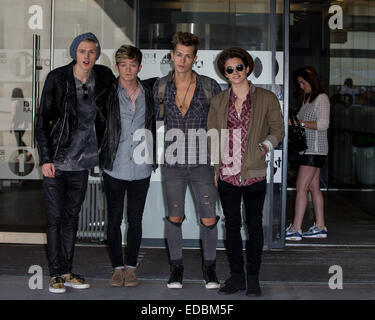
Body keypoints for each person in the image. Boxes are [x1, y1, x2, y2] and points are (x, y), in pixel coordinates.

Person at [35, 32, 115, 293]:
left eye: (92, 51)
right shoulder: (57, 78)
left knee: (72, 218)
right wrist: (45, 158)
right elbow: (42, 121)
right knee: (55, 217)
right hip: (57, 162)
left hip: (82, 162)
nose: (87, 56)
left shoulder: (101, 77)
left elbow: (124, 86)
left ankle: (67, 271)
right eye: (82, 51)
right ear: (74, 52)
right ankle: (55, 273)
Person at [207, 47, 285, 296]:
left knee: (254, 226)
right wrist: (215, 170)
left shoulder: (266, 98)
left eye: (239, 67)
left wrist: (262, 149)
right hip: (227, 174)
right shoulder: (219, 101)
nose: (235, 72)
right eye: (229, 69)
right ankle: (237, 277)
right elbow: (213, 137)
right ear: (224, 73)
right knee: (231, 226)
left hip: (254, 174)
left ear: (247, 68)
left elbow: (278, 130)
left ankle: (253, 278)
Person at [153, 32, 222, 289]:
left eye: (188, 55)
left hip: (203, 163)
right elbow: (152, 121)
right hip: (172, 163)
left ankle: (210, 269)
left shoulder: (209, 85)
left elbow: (218, 126)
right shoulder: (160, 86)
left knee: (209, 218)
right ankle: (176, 269)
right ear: (172, 56)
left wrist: (218, 163)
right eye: (178, 54)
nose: (182, 60)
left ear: (195, 58)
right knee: (174, 218)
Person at [100, 45, 156, 287]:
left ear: (139, 67)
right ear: (117, 67)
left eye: (132, 64)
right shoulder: (107, 93)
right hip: (114, 164)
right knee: (113, 220)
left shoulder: (149, 92)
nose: (128, 69)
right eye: (123, 64)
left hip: (142, 166)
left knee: (135, 219)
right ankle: (117, 268)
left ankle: (131, 268)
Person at [285, 66, 330, 241]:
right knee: (313, 188)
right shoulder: (308, 99)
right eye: (299, 84)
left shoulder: (321, 99)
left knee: (300, 188)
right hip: (311, 149)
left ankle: (296, 229)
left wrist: (300, 123)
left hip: (314, 149)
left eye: (303, 83)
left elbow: (323, 124)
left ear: (311, 81)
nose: (301, 87)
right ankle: (320, 226)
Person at [10, 88, 32, 161]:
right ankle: (26, 152)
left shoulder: (14, 102)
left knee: (18, 141)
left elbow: (13, 115)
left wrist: (10, 126)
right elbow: (28, 113)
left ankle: (21, 155)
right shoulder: (25, 102)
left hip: (16, 125)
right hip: (23, 125)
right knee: (19, 140)